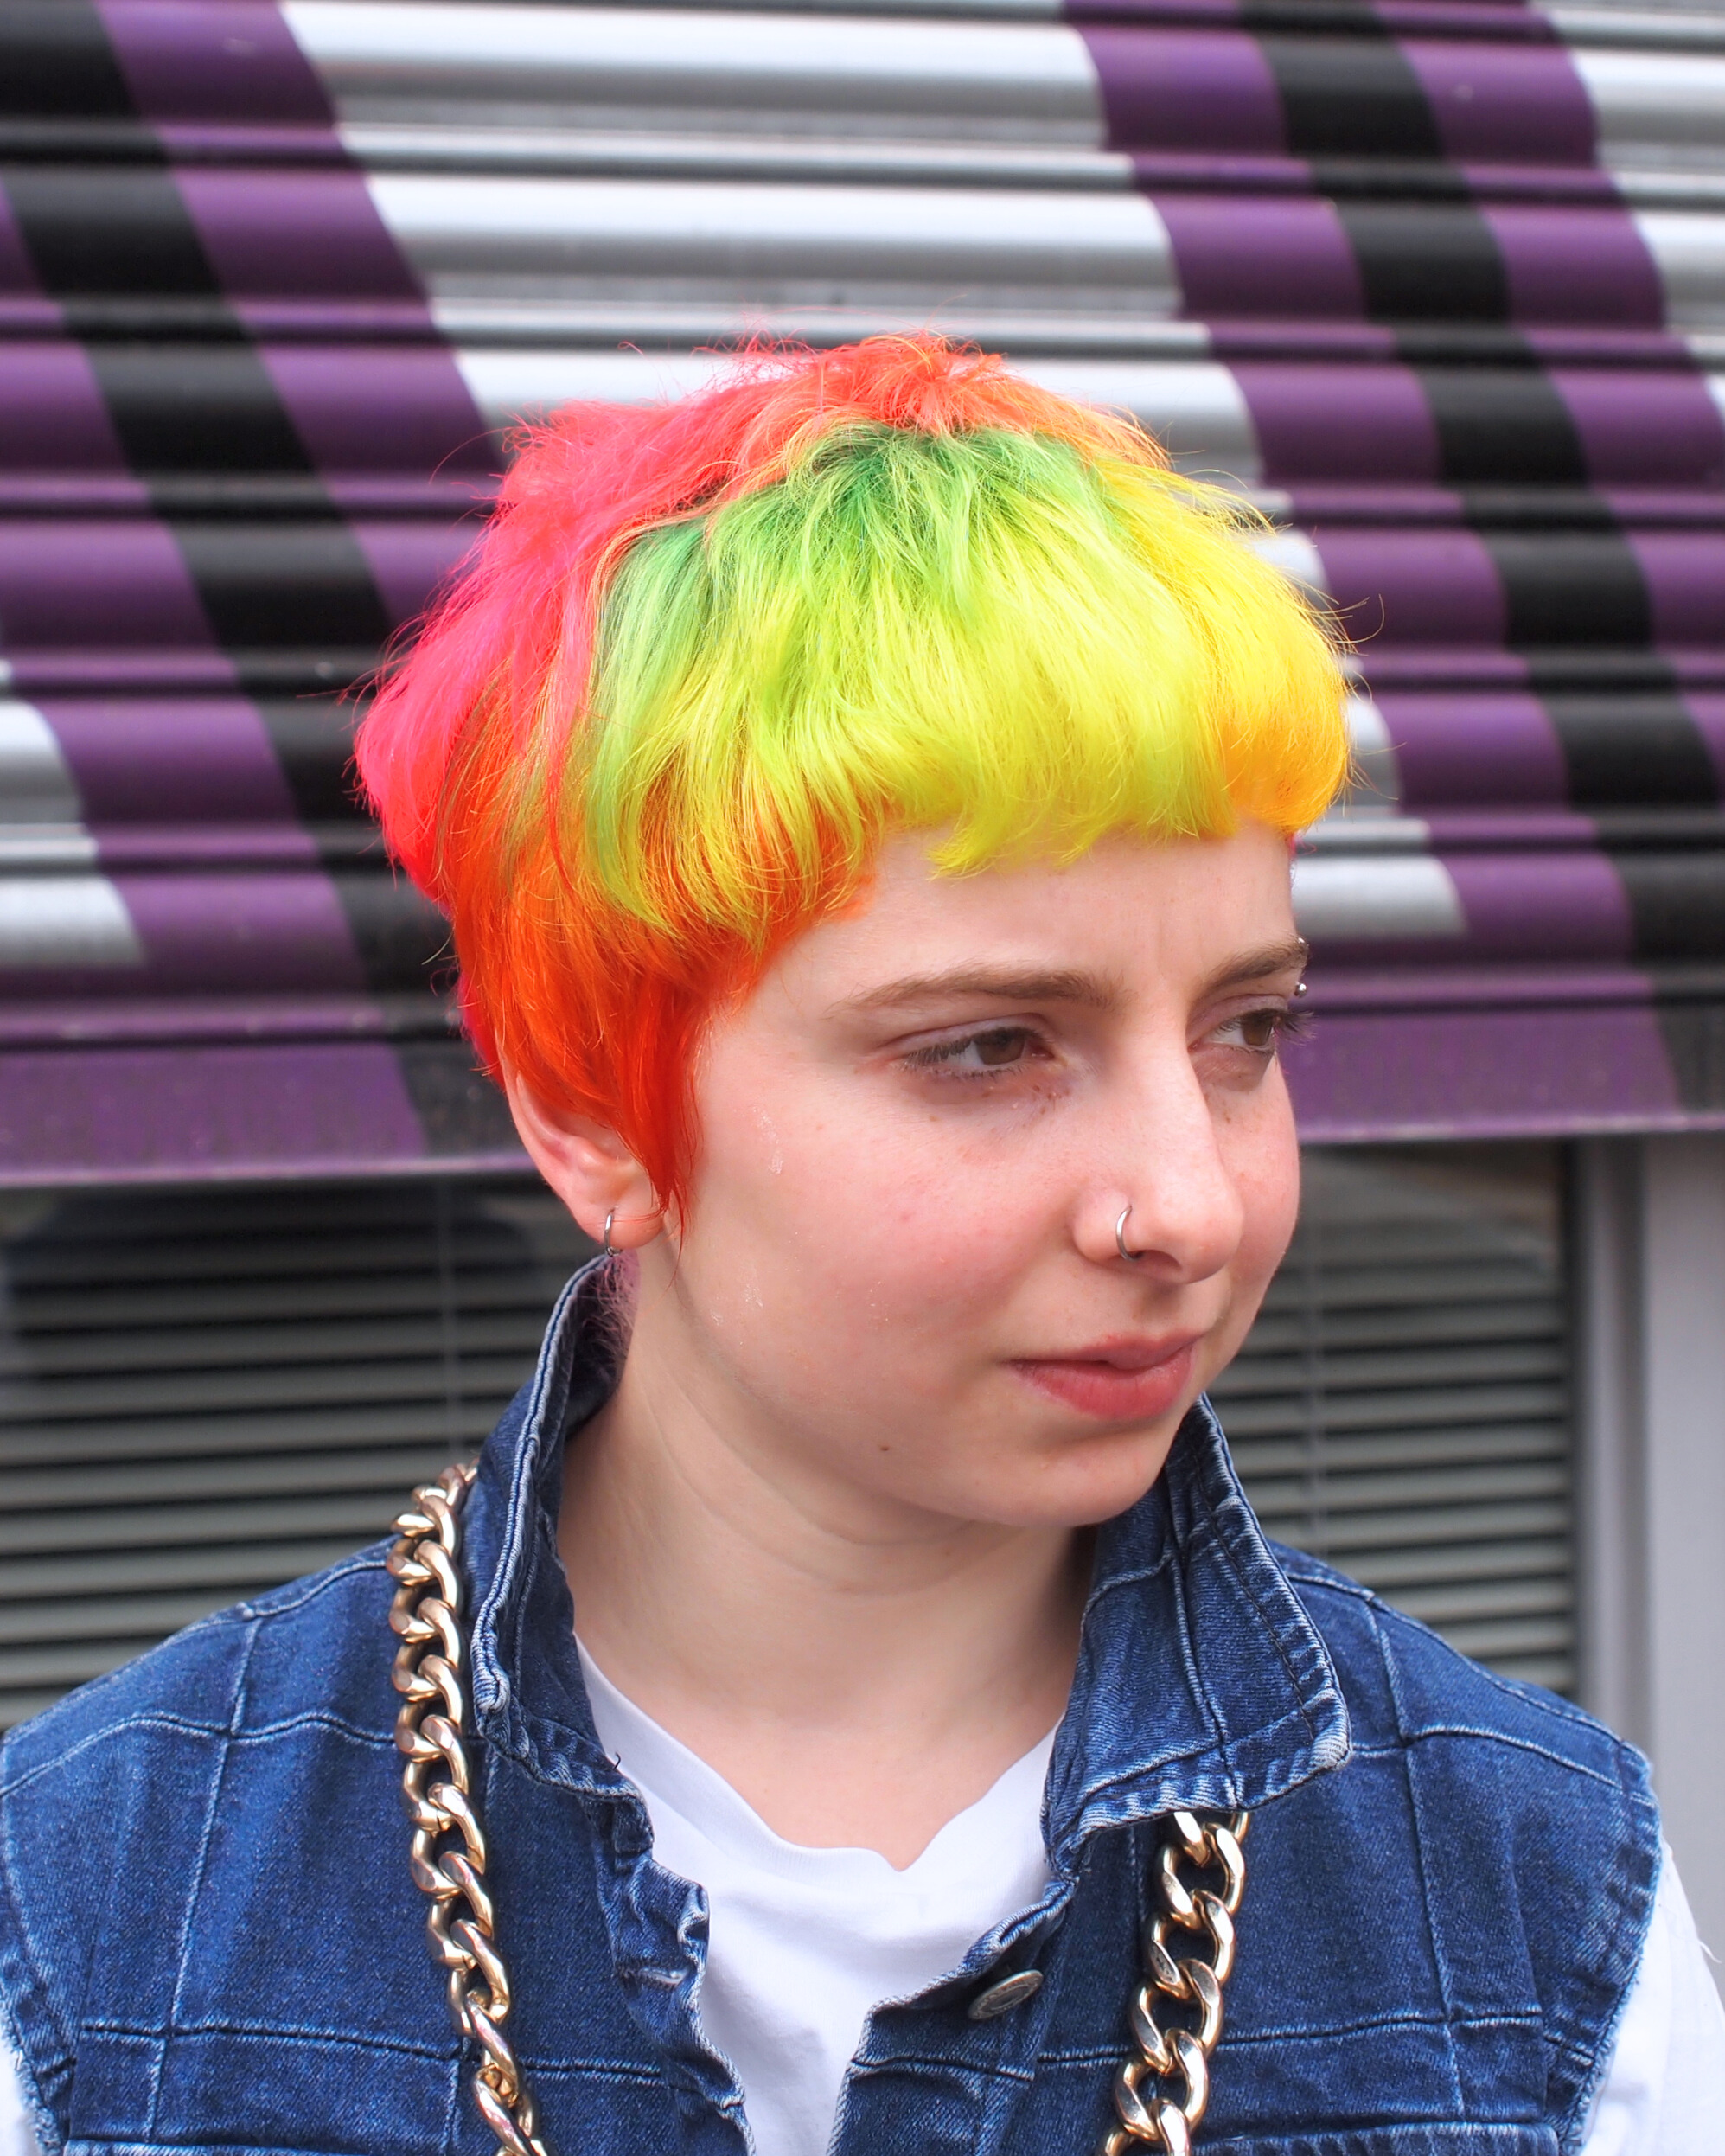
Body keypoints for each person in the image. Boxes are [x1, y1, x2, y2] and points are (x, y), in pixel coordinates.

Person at [0, 337, 1719, 2156]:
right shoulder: (106, 1920)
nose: (1187, 1203)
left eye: (1245, 1029)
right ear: (591, 1108)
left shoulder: (1533, 1905)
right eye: (987, 1046)